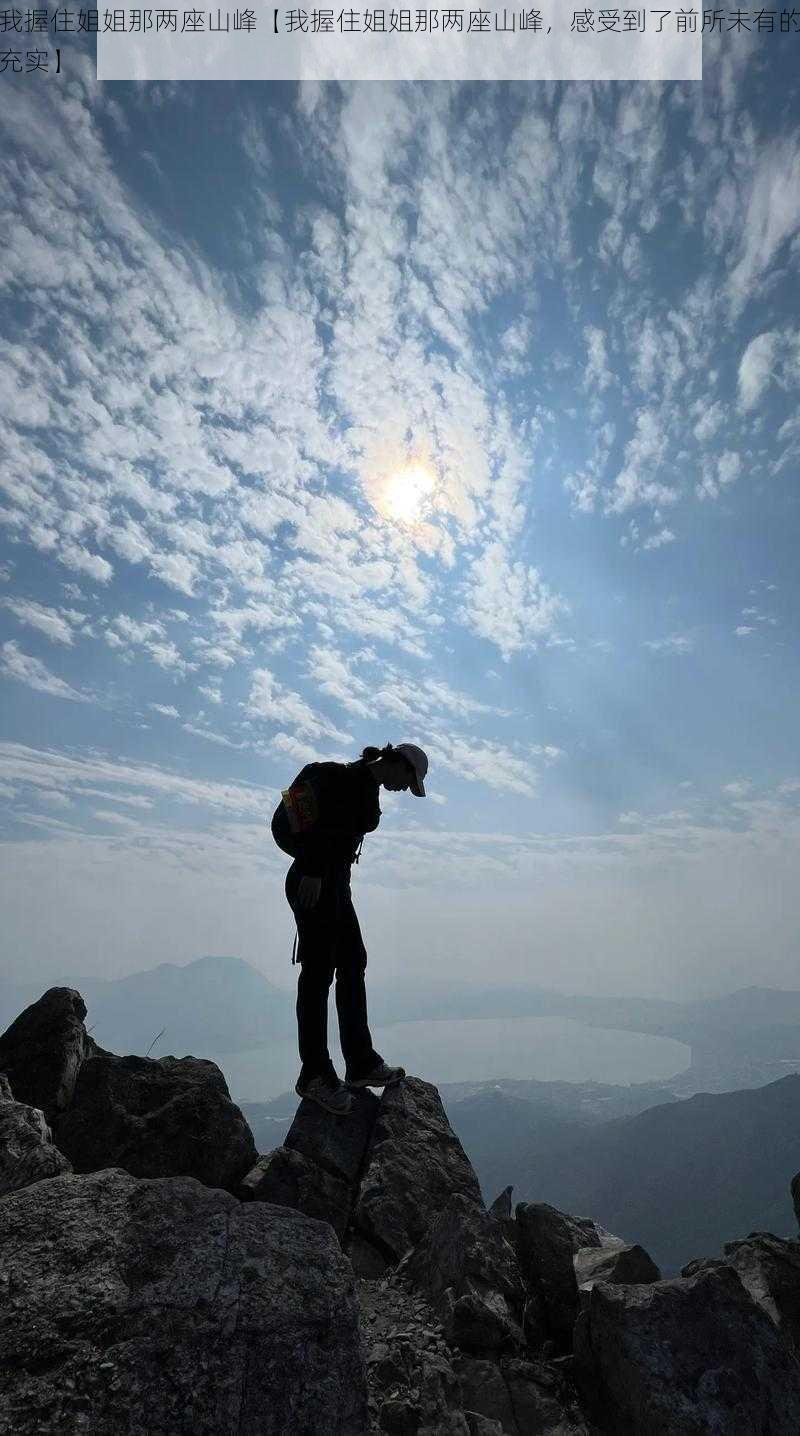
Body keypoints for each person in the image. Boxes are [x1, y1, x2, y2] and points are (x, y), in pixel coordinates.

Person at [272, 741, 429, 1117]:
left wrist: (325, 872)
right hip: (314, 884)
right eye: (408, 781)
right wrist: (311, 866)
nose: (404, 790)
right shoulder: (329, 775)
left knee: (353, 962)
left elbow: (335, 839)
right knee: (318, 975)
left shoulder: (365, 792)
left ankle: (359, 1063)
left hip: (335, 887)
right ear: (398, 763)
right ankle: (314, 1074)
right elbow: (284, 822)